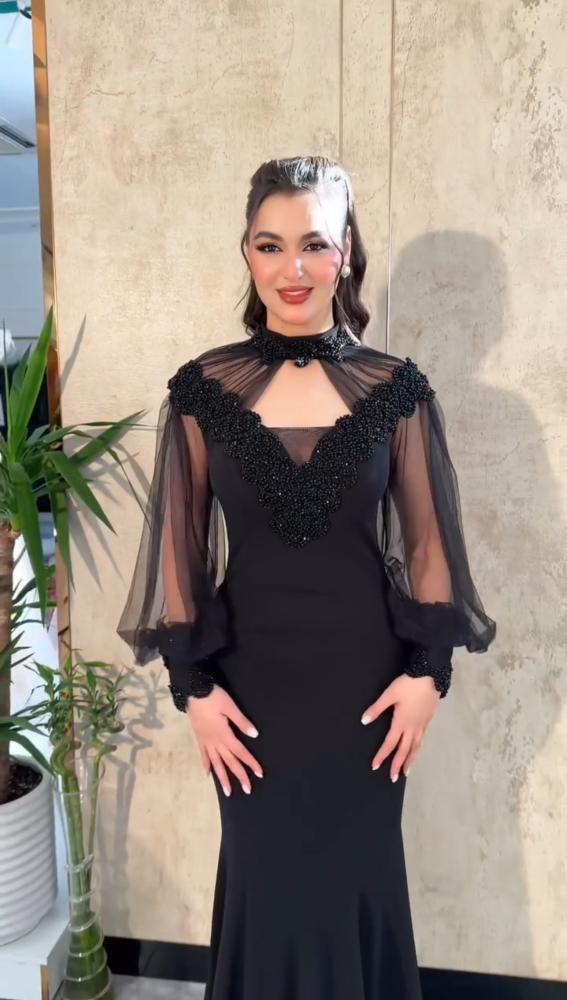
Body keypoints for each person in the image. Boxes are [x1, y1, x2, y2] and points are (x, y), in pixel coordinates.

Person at [117, 155, 496, 1000]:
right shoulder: (200, 391)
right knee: (267, 885)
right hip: (247, 697)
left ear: (345, 252)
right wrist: (193, 690)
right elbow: (180, 553)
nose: (292, 268)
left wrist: (427, 675)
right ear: (246, 254)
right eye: (270, 245)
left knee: (357, 881)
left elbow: (429, 548)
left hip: (366, 698)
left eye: (314, 244)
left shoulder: (397, 392)